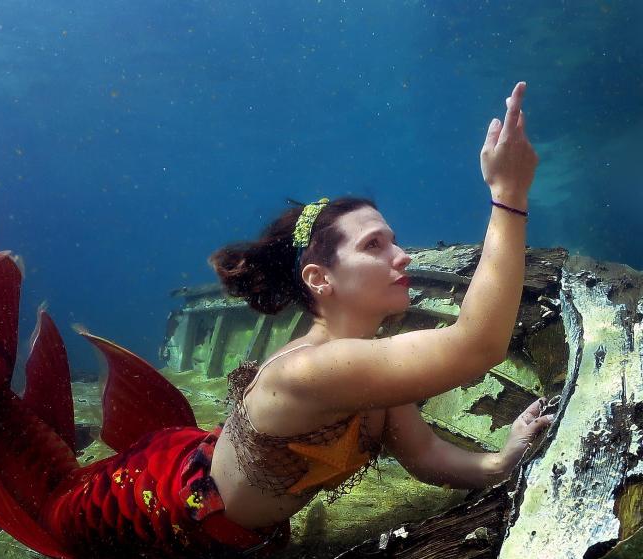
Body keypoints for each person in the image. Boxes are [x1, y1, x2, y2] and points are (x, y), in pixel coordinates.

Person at [207, 81, 549, 531]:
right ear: (320, 279)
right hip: (175, 524)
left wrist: (501, 461)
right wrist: (509, 194)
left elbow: (424, 456)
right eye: (374, 245)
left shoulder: (365, 360)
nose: (403, 255)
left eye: (393, 240)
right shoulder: (307, 370)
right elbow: (478, 347)